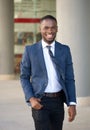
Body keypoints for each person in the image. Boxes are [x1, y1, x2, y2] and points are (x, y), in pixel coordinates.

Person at [20, 15, 77, 130]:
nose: (50, 31)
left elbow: (69, 78)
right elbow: (24, 77)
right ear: (40, 29)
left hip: (58, 101)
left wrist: (72, 103)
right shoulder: (30, 50)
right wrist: (31, 98)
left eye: (53, 27)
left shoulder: (65, 50)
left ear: (57, 29)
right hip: (40, 101)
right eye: (46, 27)